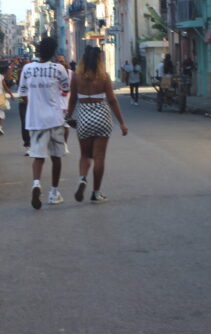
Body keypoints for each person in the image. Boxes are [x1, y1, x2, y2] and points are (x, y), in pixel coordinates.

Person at [67, 46, 128, 204]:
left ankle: (82, 179)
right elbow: (112, 100)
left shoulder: (76, 77)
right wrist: (122, 123)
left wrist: (68, 117)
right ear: (99, 60)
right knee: (99, 157)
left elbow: (73, 99)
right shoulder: (104, 77)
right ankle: (96, 192)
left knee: (85, 155)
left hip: (84, 118)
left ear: (82, 60)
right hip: (102, 117)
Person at [18, 37, 71, 209]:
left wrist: (34, 103)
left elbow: (23, 94)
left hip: (35, 120)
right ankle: (54, 192)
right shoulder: (59, 69)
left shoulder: (27, 68)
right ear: (54, 52)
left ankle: (36, 184)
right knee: (56, 158)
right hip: (55, 119)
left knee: (38, 157)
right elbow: (66, 89)